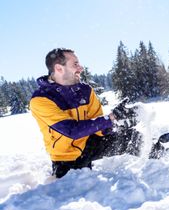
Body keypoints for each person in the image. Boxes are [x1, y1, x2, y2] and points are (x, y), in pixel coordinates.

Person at [30, 48, 143, 178]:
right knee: (77, 189)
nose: (81, 68)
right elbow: (72, 131)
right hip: (66, 157)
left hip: (89, 144)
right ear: (59, 68)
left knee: (132, 138)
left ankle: (164, 154)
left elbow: (98, 125)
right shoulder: (41, 100)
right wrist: (110, 118)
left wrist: (116, 123)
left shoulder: (85, 91)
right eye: (75, 64)